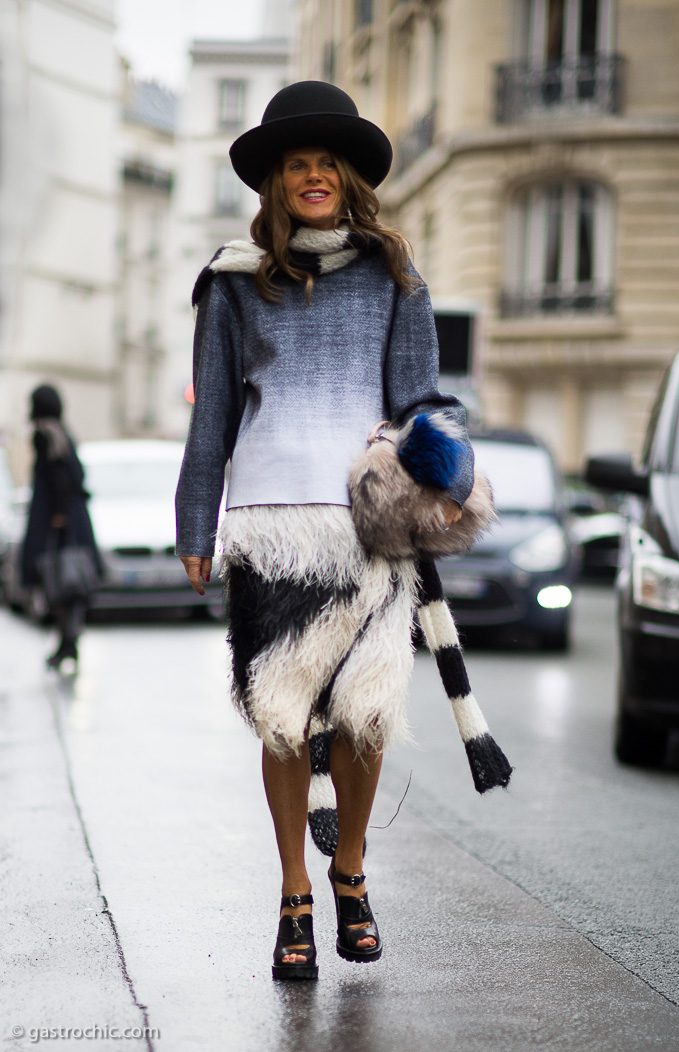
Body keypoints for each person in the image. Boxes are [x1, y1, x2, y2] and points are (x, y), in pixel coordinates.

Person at [175, 81, 475, 980]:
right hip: (271, 527)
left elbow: (420, 399)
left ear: (348, 180)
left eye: (325, 164)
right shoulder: (234, 284)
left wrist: (447, 475)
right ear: (276, 184)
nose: (312, 176)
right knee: (280, 721)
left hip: (367, 528)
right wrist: (198, 519)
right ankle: (295, 893)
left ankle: (350, 871)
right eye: (296, 164)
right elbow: (213, 416)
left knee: (366, 716)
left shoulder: (396, 276)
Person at [20, 384, 102, 670]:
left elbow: (58, 476)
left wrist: (56, 517)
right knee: (69, 583)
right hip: (73, 518)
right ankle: (68, 642)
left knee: (58, 580)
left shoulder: (45, 434)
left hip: (58, 519)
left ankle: (67, 643)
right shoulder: (62, 431)